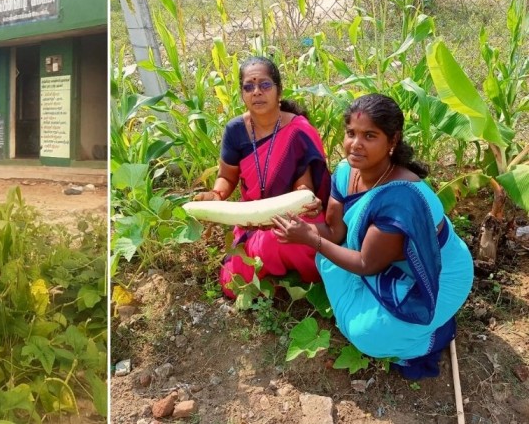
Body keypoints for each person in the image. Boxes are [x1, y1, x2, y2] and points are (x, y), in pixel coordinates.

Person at [271, 93, 473, 379]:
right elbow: (335, 231)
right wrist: (289, 225)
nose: (356, 144)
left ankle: (433, 329)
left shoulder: (401, 199)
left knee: (367, 335)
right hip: (382, 260)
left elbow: (367, 264)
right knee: (327, 261)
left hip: (438, 275)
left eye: (369, 136)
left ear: (392, 141)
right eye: (351, 133)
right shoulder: (345, 172)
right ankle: (396, 313)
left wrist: (310, 238)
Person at [194, 56, 331, 298]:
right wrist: (215, 194)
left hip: (293, 218)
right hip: (252, 220)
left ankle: (286, 279)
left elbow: (304, 184)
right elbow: (227, 176)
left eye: (265, 85)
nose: (257, 92)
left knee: (298, 246)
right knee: (232, 283)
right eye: (249, 86)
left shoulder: (297, 130)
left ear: (279, 90)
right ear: (242, 94)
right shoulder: (235, 130)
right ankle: (280, 280)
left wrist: (304, 201)